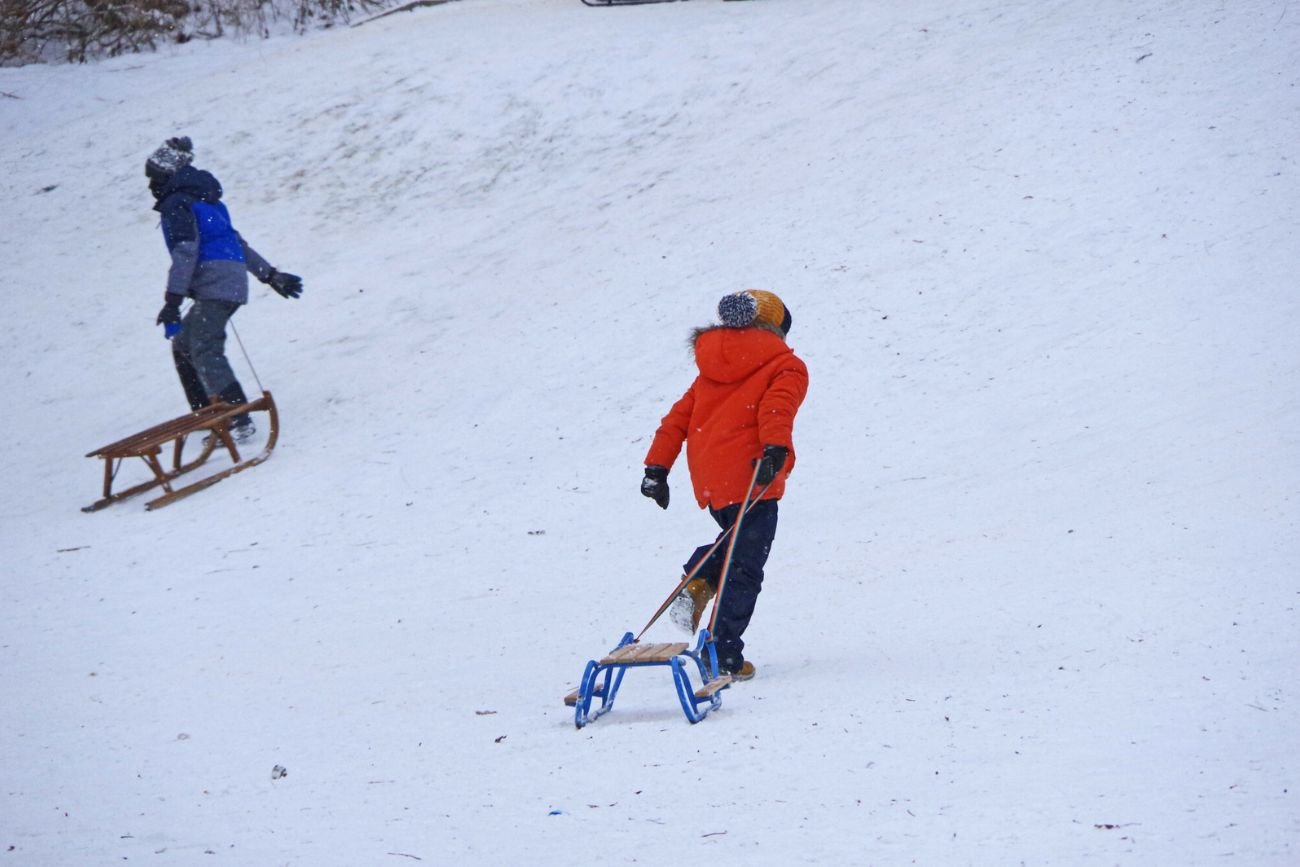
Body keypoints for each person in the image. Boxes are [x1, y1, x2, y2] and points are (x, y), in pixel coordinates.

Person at [640, 290, 808, 681]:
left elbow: (676, 420)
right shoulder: (786, 366)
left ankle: (699, 580)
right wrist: (774, 450)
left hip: (713, 480)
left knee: (736, 543)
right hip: (754, 475)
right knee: (745, 566)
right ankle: (724, 653)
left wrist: (656, 468)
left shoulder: (709, 370)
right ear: (775, 327)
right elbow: (776, 408)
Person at [145, 136, 302, 439]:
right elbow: (235, 243)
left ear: (166, 176)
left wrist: (172, 302)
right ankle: (209, 415)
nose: (151, 184)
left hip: (214, 284)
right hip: (227, 282)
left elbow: (185, 252)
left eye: (153, 177)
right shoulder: (206, 199)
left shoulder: (178, 203)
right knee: (183, 345)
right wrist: (270, 275)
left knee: (204, 347)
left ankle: (236, 417)